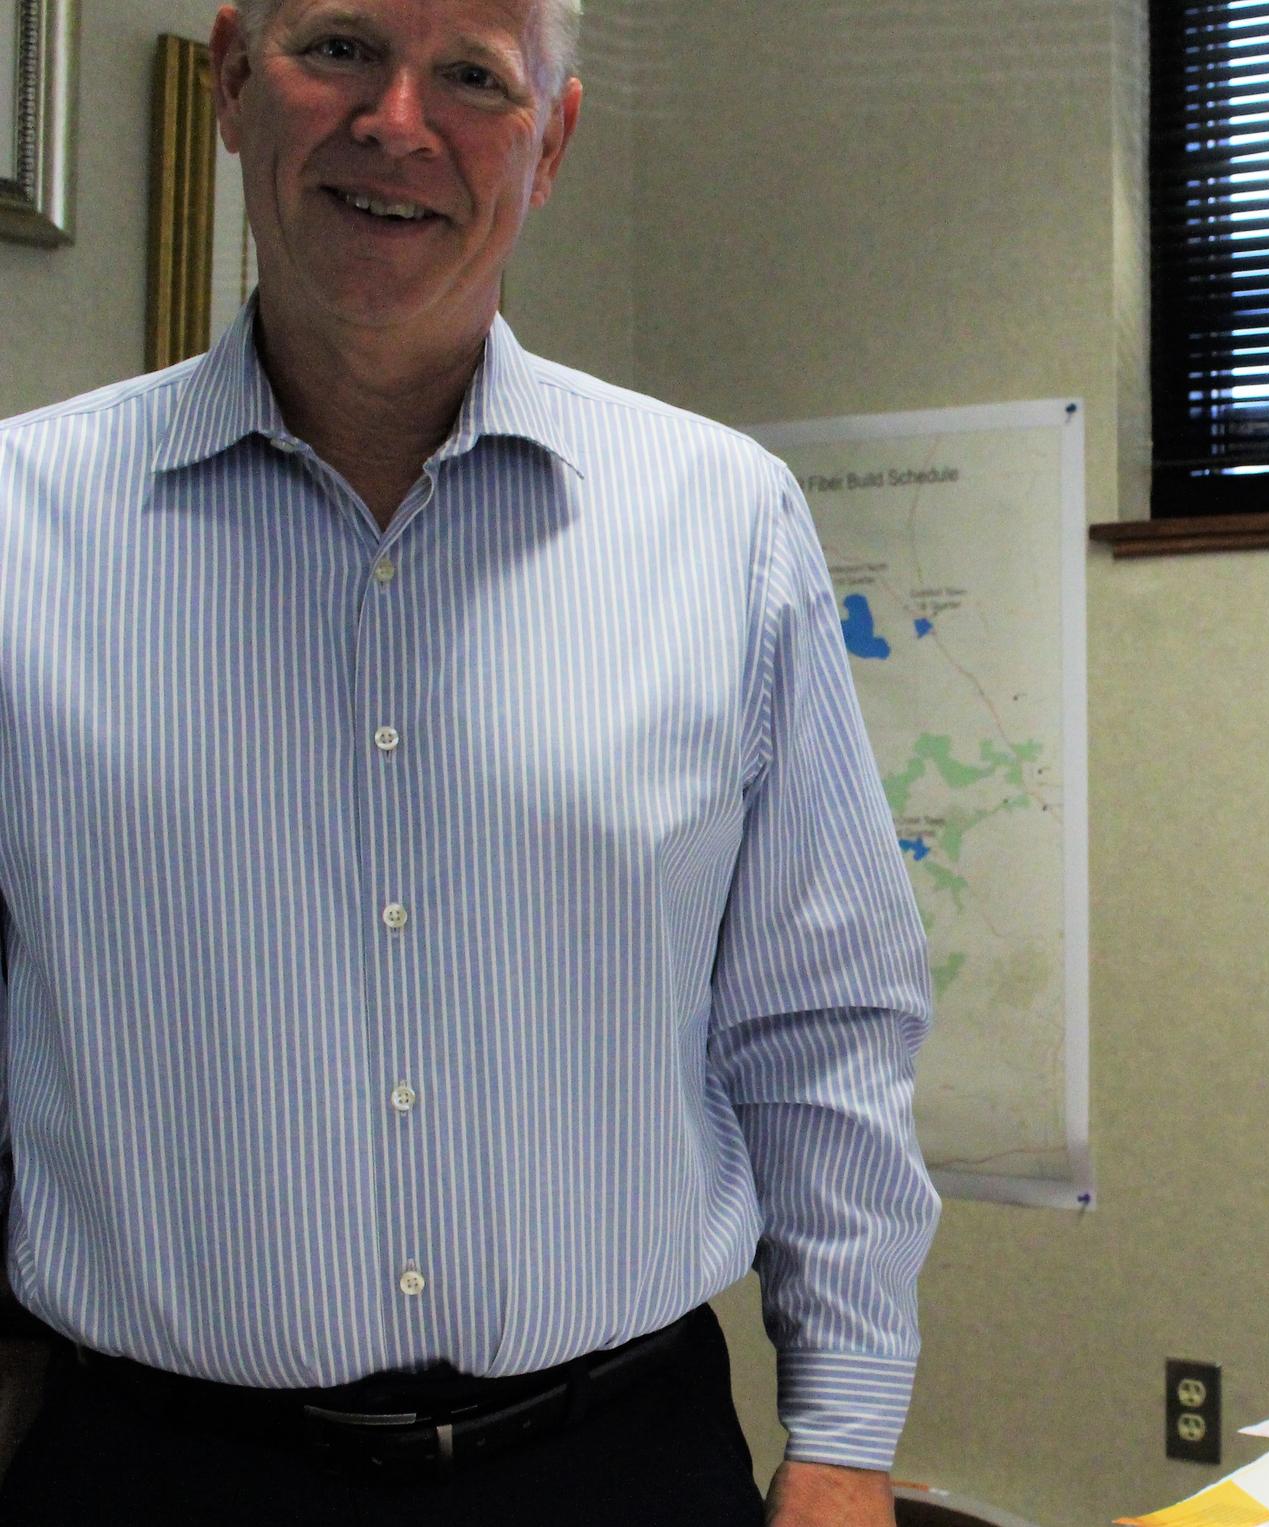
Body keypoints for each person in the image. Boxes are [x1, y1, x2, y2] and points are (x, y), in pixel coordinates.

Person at [0, 0, 939, 1521]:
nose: (398, 126)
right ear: (235, 79)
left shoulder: (722, 522)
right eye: (344, 49)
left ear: (551, 140)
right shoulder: (19, 528)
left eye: (472, 79)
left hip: (618, 1464)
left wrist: (844, 1434)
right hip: (154, 1467)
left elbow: (822, 1019)